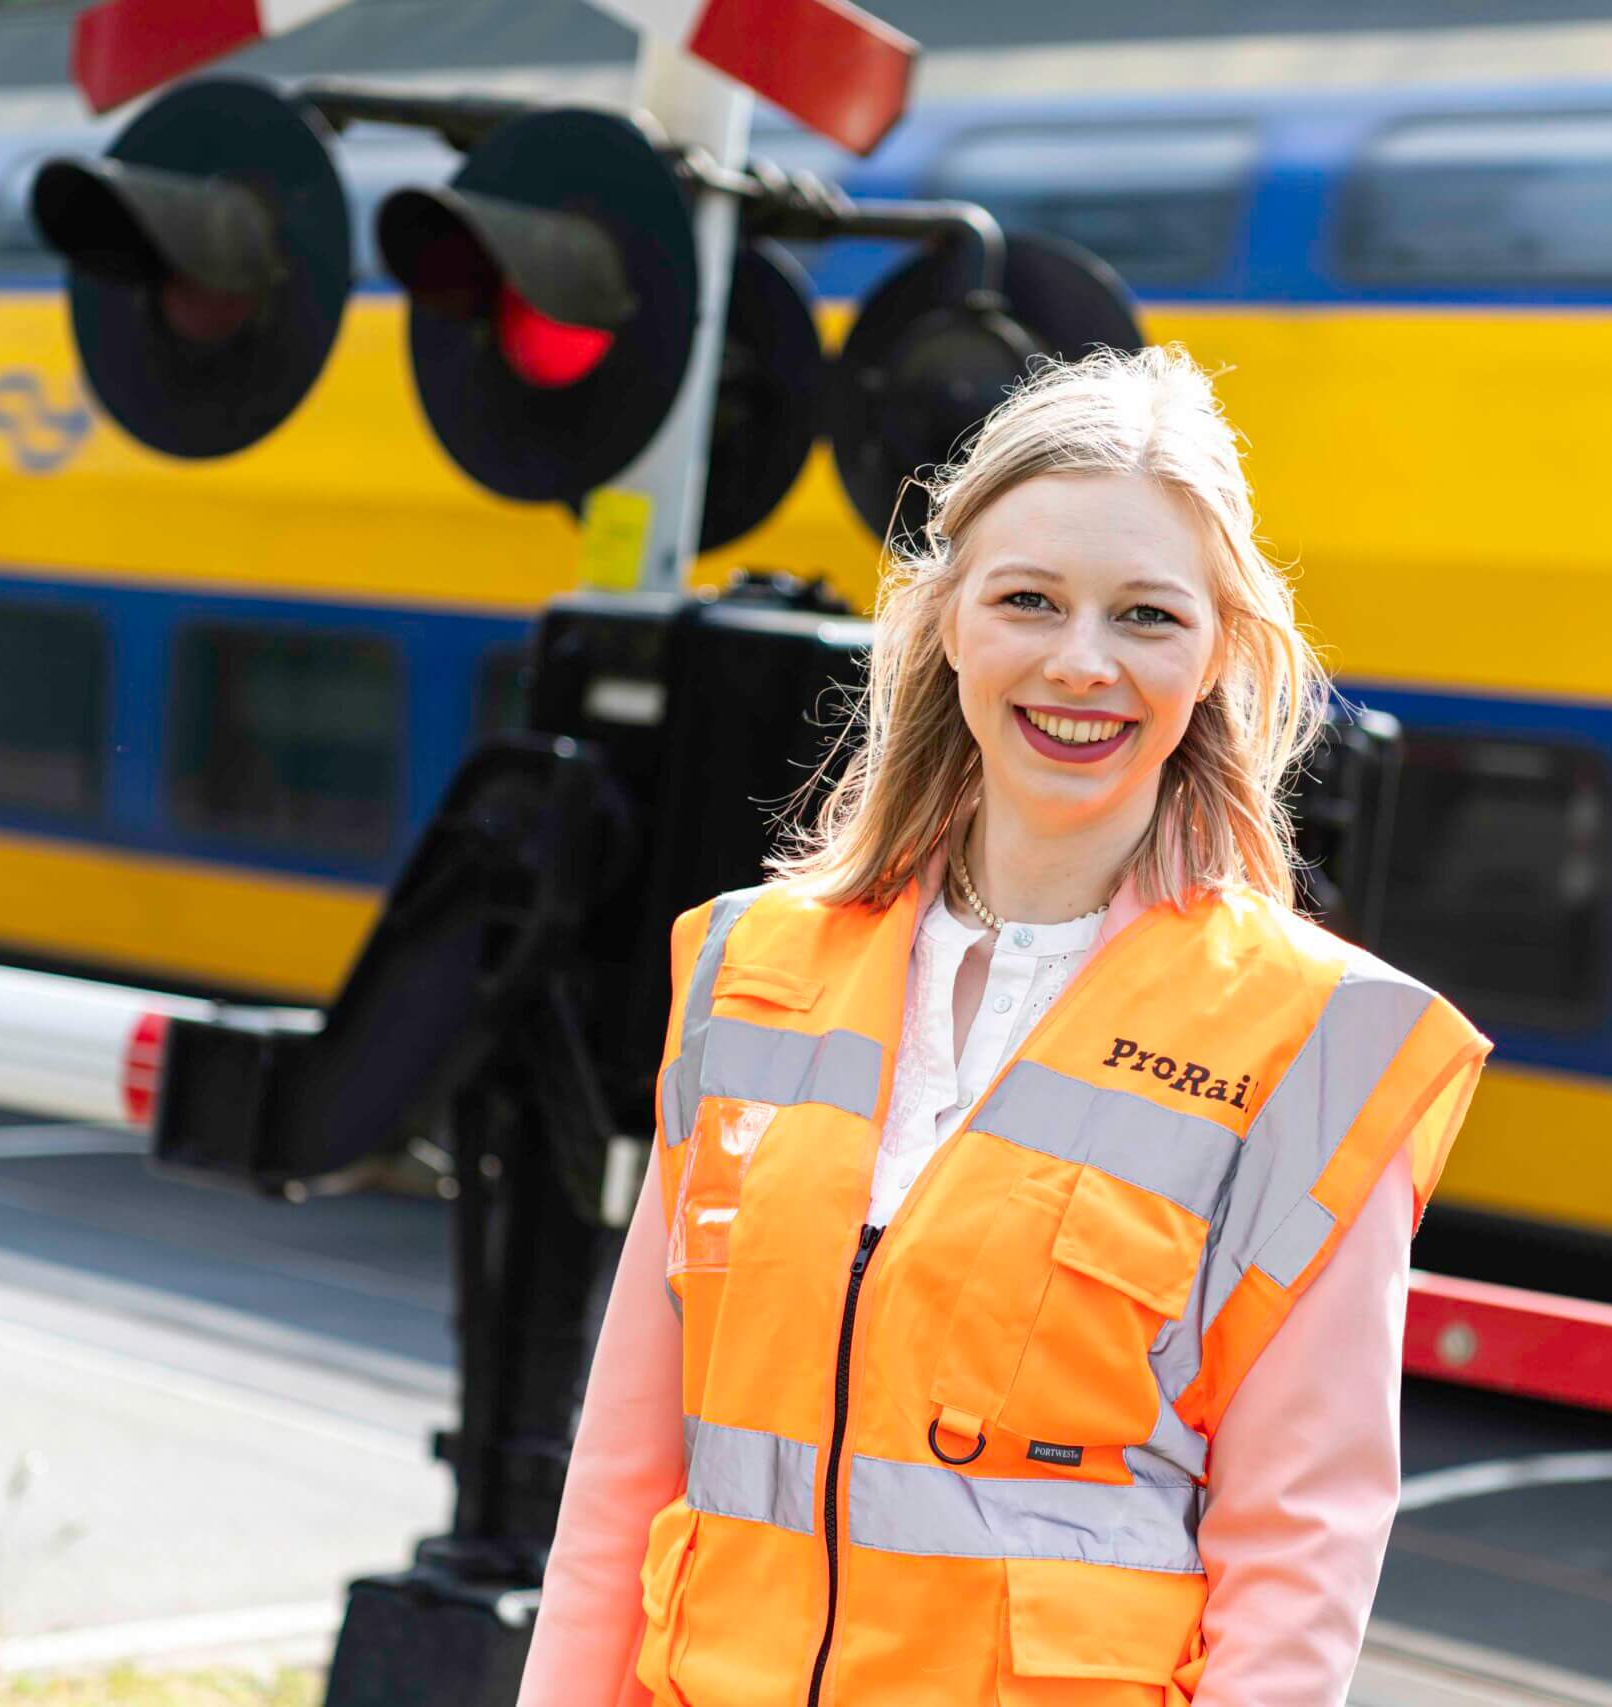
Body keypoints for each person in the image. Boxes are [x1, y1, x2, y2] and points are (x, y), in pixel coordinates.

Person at [517, 345, 1491, 1707]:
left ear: (1218, 654)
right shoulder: (752, 967)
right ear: (947, 622)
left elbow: (1296, 1561)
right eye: (1030, 600)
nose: (1081, 664)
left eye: (1146, 616)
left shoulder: (1314, 1046)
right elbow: (625, 1470)